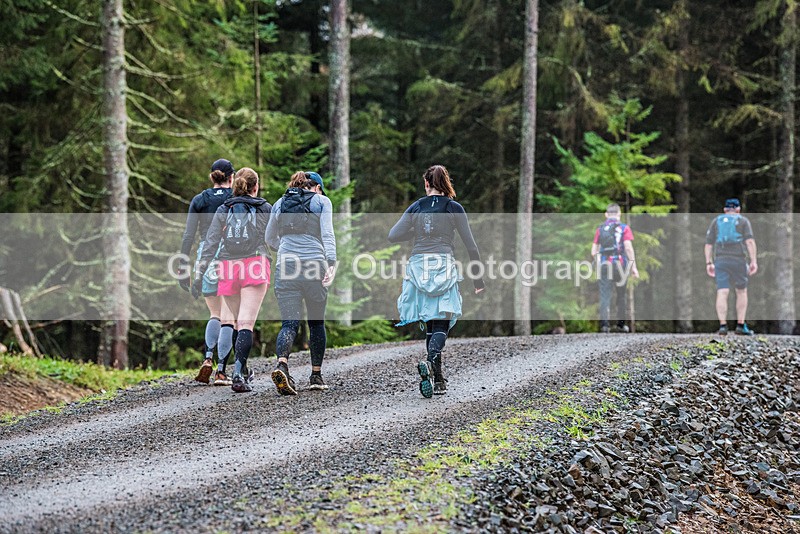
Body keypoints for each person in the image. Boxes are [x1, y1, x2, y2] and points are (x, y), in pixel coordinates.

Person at [388, 164, 485, 398]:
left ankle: (438, 378)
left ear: (426, 184)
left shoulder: (417, 206)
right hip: (442, 263)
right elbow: (470, 245)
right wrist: (478, 280)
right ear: (446, 183)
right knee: (442, 320)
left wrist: (419, 234)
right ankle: (432, 365)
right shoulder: (454, 208)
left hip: (418, 265)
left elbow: (393, 236)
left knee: (431, 323)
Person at [198, 167, 272, 392]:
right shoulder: (265, 208)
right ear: (255, 187)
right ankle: (238, 373)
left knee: (234, 321)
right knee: (246, 323)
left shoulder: (223, 209)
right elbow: (274, 238)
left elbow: (211, 242)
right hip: (254, 264)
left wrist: (200, 271)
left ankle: (241, 368)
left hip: (227, 266)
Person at [265, 171, 336, 395]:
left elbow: (269, 238)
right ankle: (315, 375)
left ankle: (282, 365)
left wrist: (285, 247)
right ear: (316, 187)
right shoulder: (322, 202)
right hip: (314, 265)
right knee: (316, 322)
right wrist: (331, 262)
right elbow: (328, 235)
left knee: (289, 324)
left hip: (286, 266)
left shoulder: (280, 202)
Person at [179, 158, 237, 386]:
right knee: (228, 317)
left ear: (211, 176)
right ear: (231, 177)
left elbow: (188, 236)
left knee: (214, 313)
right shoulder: (235, 199)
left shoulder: (199, 200)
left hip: (206, 255)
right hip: (231, 254)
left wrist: (183, 268)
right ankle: (222, 371)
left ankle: (208, 358)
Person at [704, 198, 757, 335]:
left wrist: (709, 262)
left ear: (725, 209)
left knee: (722, 291)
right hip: (738, 260)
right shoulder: (743, 221)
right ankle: (740, 325)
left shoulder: (716, 221)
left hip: (721, 260)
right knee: (741, 291)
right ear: (738, 209)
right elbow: (750, 242)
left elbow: (708, 244)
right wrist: (753, 261)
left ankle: (723, 326)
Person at [591, 203, 639, 333]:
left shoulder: (600, 229)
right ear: (619, 214)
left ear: (606, 214)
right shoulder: (624, 228)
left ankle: (604, 325)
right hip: (620, 264)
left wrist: (598, 263)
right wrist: (633, 266)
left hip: (605, 264)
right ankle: (621, 325)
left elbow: (593, 251)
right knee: (621, 295)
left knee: (604, 295)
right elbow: (628, 248)